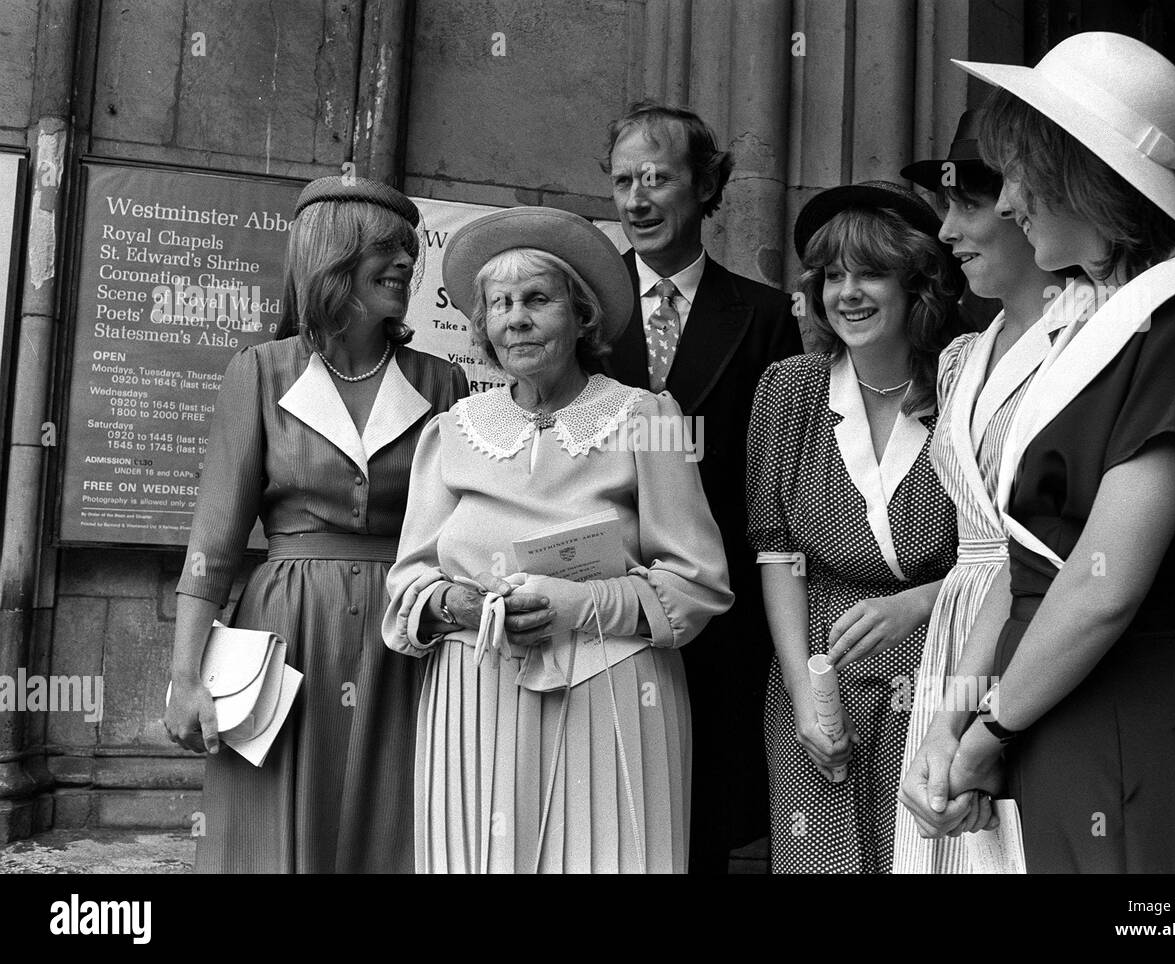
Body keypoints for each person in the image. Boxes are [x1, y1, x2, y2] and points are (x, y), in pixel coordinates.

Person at [899, 32, 1175, 872]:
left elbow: (1103, 585)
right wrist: (950, 719)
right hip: (1052, 729)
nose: (1005, 205)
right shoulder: (1092, 322)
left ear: (1080, 174)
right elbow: (1024, 561)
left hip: (1124, 737)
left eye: (1021, 176)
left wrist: (989, 730)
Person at [383, 205, 733, 874]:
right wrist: (463, 607)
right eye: (500, 304)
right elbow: (408, 584)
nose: (515, 317)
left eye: (537, 299)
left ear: (581, 316)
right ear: (483, 325)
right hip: (476, 688)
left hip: (613, 684)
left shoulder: (649, 418)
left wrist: (580, 606)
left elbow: (698, 582)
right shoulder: (451, 431)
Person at [163, 175, 469, 873]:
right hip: (287, 632)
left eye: (409, 250)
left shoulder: (443, 381)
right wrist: (185, 677)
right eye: (385, 249)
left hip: (408, 633)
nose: (405, 264)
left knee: (401, 830)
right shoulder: (261, 373)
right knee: (274, 840)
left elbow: (467, 529)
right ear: (331, 257)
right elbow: (214, 542)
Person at [601, 101, 804, 872]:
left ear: (706, 185)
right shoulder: (579, 307)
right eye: (623, 181)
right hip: (601, 607)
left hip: (717, 614)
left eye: (658, 177)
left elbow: (780, 476)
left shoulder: (760, 316)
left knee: (699, 830)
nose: (637, 200)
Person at [747, 181, 963, 873]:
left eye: (870, 272)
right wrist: (805, 695)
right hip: (817, 676)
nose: (848, 292)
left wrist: (919, 602)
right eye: (832, 275)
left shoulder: (964, 387)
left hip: (936, 672)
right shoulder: (789, 388)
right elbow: (776, 553)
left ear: (918, 284)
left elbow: (1004, 552)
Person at [889, 112, 1078, 873]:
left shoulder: (1089, 341)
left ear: (1022, 205)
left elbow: (1051, 542)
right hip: (958, 632)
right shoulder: (962, 356)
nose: (947, 232)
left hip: (1038, 625)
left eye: (966, 205)